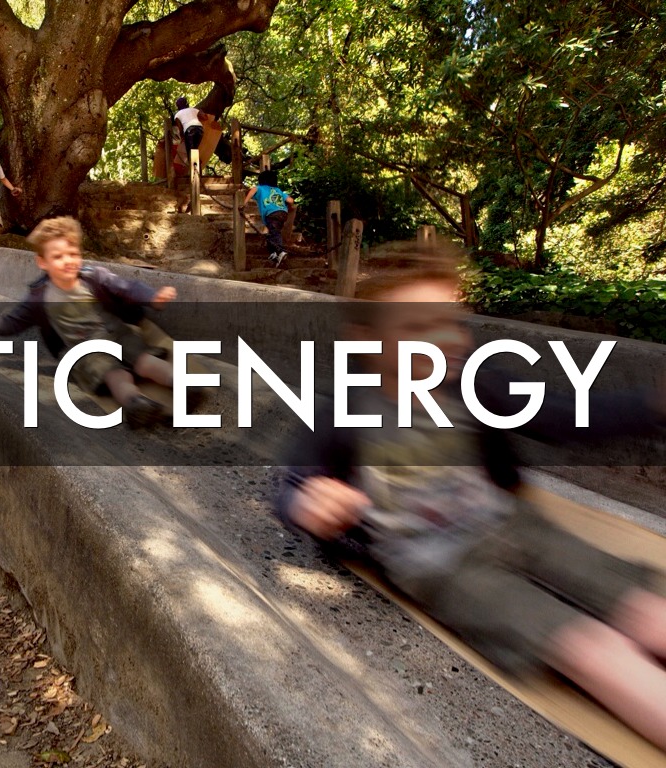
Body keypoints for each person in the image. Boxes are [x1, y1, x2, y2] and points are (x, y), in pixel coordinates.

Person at [275, 264, 666, 750]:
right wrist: (311, 502)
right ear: (368, 341)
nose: (444, 339)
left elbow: (561, 417)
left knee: (642, 607)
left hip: (513, 523)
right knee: (592, 648)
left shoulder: (474, 383)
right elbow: (293, 482)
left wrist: (650, 405)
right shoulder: (342, 412)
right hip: (443, 566)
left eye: (452, 321)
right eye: (417, 327)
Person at [0, 216, 177, 428]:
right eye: (58, 256)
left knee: (144, 360)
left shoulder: (93, 277)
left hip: (117, 334)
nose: (68, 261)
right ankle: (135, 403)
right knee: (115, 374)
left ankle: (182, 384)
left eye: (73, 254)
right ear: (43, 262)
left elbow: (125, 287)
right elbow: (10, 323)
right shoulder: (39, 298)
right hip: (86, 351)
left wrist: (152, 296)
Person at [243, 169, 296, 267]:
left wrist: (244, 203)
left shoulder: (260, 188)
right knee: (272, 232)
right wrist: (290, 207)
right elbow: (290, 200)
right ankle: (274, 253)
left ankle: (280, 251)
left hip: (271, 213)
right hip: (283, 213)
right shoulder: (278, 190)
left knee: (275, 233)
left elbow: (253, 190)